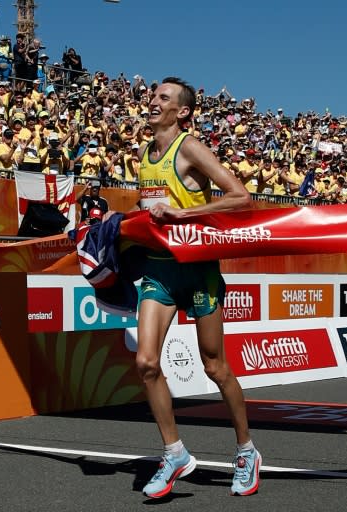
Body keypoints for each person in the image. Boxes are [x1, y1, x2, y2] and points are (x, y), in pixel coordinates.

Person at [124, 77, 260, 498]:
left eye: (163, 97)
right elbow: (151, 209)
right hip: (160, 271)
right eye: (153, 95)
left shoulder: (189, 147)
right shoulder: (145, 154)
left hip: (198, 270)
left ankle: (246, 451)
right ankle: (175, 452)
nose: (153, 101)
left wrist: (187, 215)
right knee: (146, 363)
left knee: (214, 367)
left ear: (182, 111)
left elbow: (241, 196)